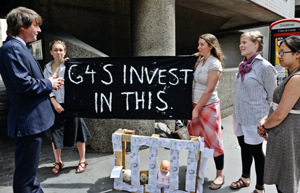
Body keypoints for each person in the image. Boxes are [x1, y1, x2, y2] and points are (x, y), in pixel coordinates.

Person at [0, 7, 64, 193]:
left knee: (29, 172)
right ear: (21, 26)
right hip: (28, 121)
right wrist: (48, 84)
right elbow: (24, 85)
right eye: (36, 25)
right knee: (25, 177)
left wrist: (49, 83)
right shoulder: (12, 49)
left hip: (32, 121)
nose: (39, 30)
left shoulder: (18, 47)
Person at [230, 31, 277, 193]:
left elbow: (273, 97)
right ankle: (245, 178)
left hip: (256, 117)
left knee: (257, 151)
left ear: (255, 44)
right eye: (240, 42)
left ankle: (260, 187)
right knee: (244, 147)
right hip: (241, 115)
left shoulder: (265, 67)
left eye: (244, 42)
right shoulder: (241, 64)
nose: (240, 45)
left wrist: (267, 120)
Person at [257, 35, 300, 193]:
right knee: (284, 177)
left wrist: (264, 126)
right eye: (278, 53)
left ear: (297, 54)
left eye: (283, 52)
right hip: (284, 133)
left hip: (288, 134)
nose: (279, 56)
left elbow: (281, 113)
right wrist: (266, 120)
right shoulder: (293, 75)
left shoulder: (296, 78)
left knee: (286, 181)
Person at [43, 40, 91, 174]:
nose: (58, 52)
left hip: (72, 105)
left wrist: (72, 64)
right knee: (56, 134)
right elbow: (47, 89)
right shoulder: (47, 69)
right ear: (51, 52)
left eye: (61, 50)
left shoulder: (70, 65)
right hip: (56, 105)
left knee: (79, 132)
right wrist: (54, 103)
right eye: (56, 50)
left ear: (65, 52)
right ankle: (58, 161)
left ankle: (82, 160)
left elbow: (80, 83)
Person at [187, 33, 225, 190]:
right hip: (195, 103)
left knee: (214, 140)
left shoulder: (214, 64)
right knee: (196, 139)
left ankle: (220, 174)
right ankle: (197, 170)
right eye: (198, 44)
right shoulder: (201, 61)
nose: (198, 47)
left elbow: (209, 90)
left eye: (202, 44)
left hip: (208, 106)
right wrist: (195, 58)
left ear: (211, 46)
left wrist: (196, 108)